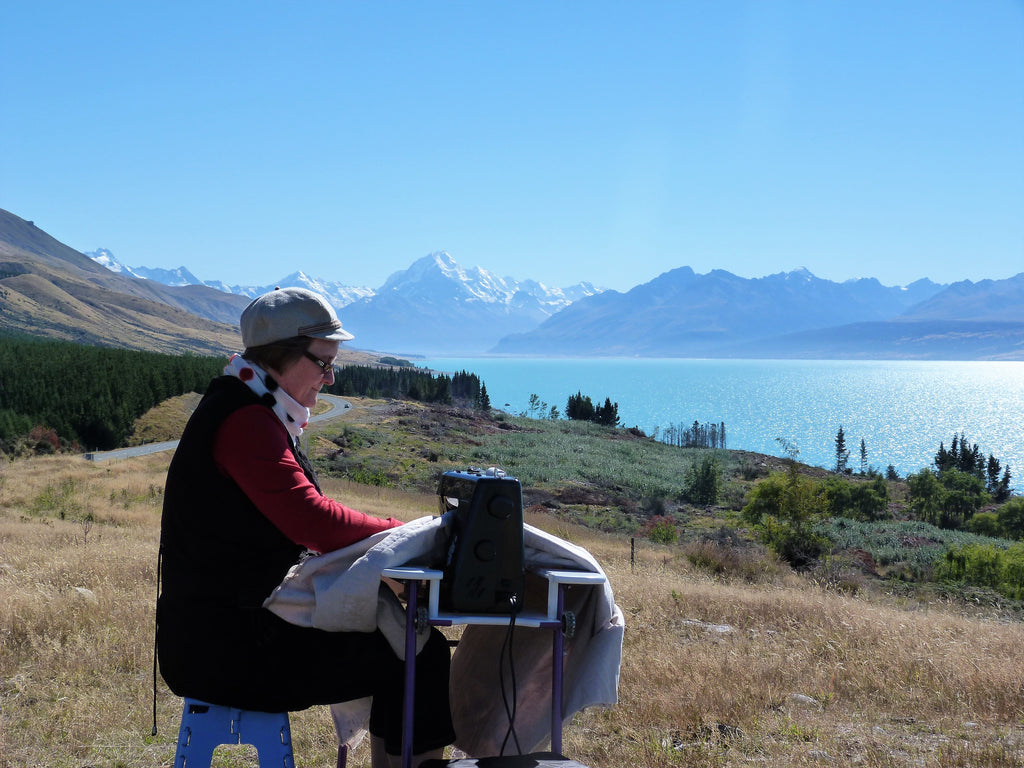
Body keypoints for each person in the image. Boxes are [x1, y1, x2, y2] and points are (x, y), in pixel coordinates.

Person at [156, 287, 455, 767]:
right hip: (229, 649)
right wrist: (409, 534)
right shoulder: (248, 422)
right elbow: (311, 519)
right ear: (283, 356)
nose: (331, 377)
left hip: (219, 634)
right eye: (323, 363)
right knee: (419, 658)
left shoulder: (248, 407)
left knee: (408, 650)